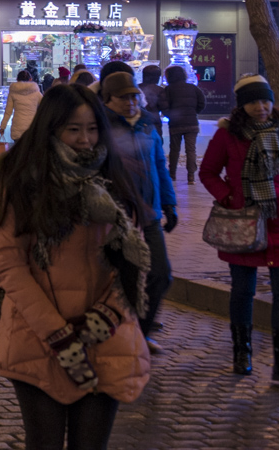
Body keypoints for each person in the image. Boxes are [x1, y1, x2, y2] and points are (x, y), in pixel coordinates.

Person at [0, 82, 151, 450]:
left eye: (92, 129)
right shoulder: (20, 180)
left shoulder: (116, 178)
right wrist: (58, 334)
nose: (85, 140)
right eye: (74, 129)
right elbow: (8, 263)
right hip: (36, 335)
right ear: (51, 128)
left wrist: (106, 316)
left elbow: (133, 260)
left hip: (105, 336)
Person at [199, 74, 279, 384]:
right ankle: (242, 352)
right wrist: (229, 197)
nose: (261, 107)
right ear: (241, 106)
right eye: (252, 101)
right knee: (243, 291)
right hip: (243, 222)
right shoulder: (227, 136)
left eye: (265, 100)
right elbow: (208, 172)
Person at [98, 71, 176, 354]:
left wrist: (170, 203)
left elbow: (160, 167)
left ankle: (141, 332)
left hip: (149, 213)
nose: (131, 103)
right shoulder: (100, 127)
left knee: (161, 274)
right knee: (122, 279)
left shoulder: (147, 125)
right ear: (109, 99)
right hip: (116, 215)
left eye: (134, 96)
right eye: (123, 97)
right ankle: (121, 335)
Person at [157, 66, 204, 180]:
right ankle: (191, 176)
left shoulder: (168, 89)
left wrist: (170, 115)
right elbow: (202, 102)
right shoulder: (193, 88)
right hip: (192, 123)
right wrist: (194, 112)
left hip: (175, 124)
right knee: (191, 150)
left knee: (174, 149)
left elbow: (163, 105)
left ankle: (172, 174)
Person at [0, 70, 43, 144]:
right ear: (30, 79)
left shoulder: (13, 92)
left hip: (18, 127)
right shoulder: (36, 93)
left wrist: (2, 127)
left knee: (18, 153)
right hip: (32, 127)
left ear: (17, 79)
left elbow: (8, 112)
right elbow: (45, 107)